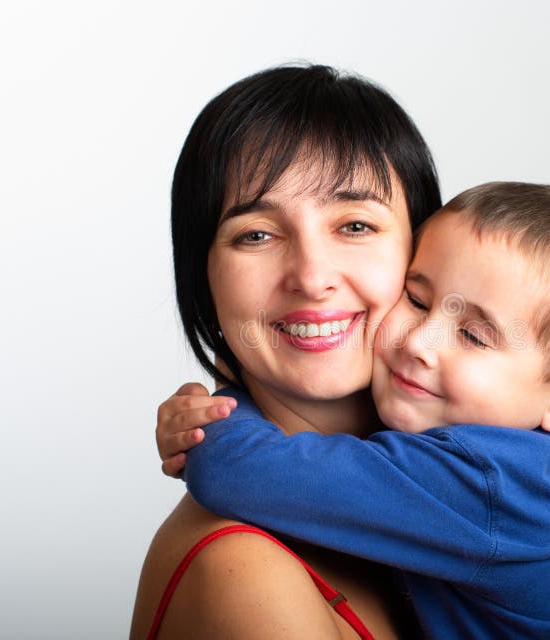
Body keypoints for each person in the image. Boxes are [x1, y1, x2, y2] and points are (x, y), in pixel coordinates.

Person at [157, 182, 550, 638]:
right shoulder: (530, 460)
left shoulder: (486, 482)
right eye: (418, 299)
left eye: (473, 335)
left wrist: (223, 403)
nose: (420, 341)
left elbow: (236, 472)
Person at [129, 63, 442, 639]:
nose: (312, 276)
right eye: (256, 234)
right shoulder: (243, 574)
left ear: (425, 254)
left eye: (354, 226)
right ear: (204, 280)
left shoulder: (463, 475)